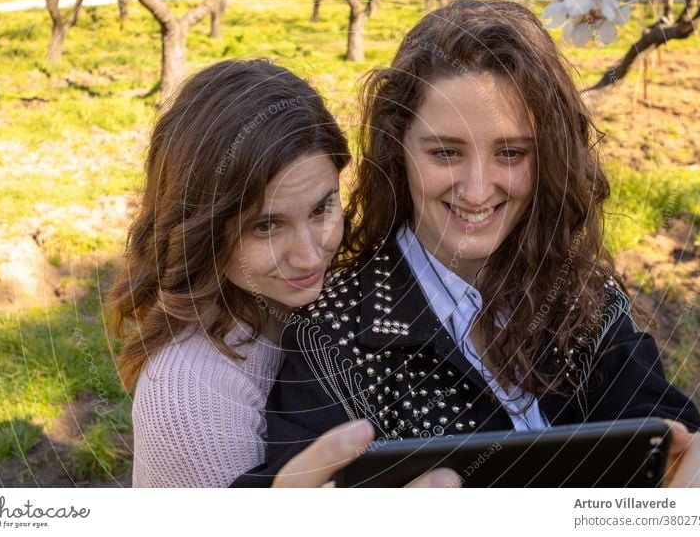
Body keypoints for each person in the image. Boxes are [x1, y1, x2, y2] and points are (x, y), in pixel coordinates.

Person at [232, 0, 700, 487]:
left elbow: (656, 418)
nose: (476, 189)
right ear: (396, 147)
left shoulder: (582, 292)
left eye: (511, 153)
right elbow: (294, 480)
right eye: (445, 152)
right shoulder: (331, 333)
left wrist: (691, 477)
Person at [109, 59, 460, 488]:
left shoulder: (330, 302)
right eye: (266, 226)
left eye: (321, 208)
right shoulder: (188, 396)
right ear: (201, 229)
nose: (311, 257)